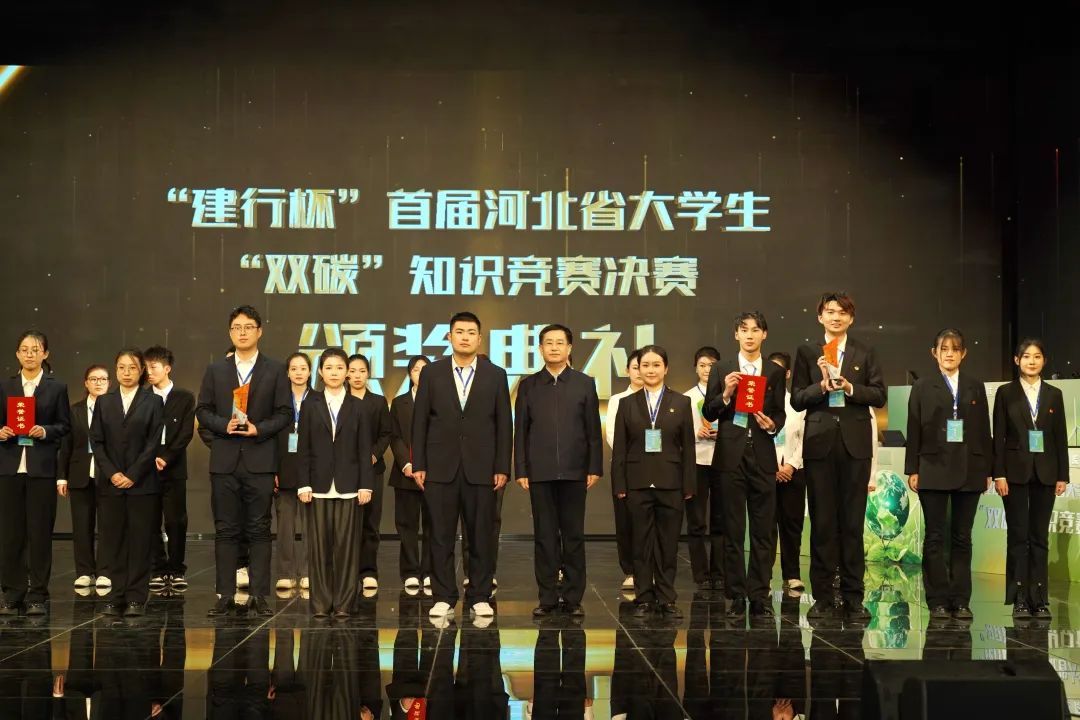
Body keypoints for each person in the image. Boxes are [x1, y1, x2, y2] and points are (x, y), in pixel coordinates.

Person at [791, 292, 885, 623]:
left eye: (842, 312)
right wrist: (820, 386)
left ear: (851, 318)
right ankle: (822, 597)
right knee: (822, 523)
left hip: (855, 446)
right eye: (830, 312)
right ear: (820, 317)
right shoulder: (807, 352)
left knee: (852, 524)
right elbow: (797, 399)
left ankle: (854, 596)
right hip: (819, 445)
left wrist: (849, 388)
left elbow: (879, 394)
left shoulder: (865, 352)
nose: (836, 317)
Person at [411, 311, 512, 622]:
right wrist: (419, 463)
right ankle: (443, 596)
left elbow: (503, 424)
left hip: (482, 468)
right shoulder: (432, 373)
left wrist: (502, 466)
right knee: (439, 535)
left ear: (479, 339)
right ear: (449, 337)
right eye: (459, 332)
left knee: (481, 535)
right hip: (439, 468)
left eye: (471, 332)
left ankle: (480, 596)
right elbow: (420, 421)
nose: (465, 337)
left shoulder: (496, 375)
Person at [196, 305, 292, 617]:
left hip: (260, 461)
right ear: (230, 332)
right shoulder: (216, 370)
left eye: (248, 327)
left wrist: (258, 429)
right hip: (224, 461)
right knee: (226, 530)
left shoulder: (275, 370)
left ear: (259, 331)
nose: (242, 332)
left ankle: (260, 595)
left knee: (259, 529)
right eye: (237, 327)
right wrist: (223, 424)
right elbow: (202, 411)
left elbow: (285, 414)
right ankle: (224, 594)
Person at [514, 324, 603, 618]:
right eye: (548, 343)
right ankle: (548, 597)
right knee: (545, 536)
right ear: (540, 349)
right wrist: (521, 468)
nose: (554, 347)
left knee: (573, 536)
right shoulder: (528, 386)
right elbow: (521, 431)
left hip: (576, 471)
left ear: (569, 348)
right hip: (539, 472)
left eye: (559, 342)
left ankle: (573, 598)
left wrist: (594, 466)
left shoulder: (584, 383)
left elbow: (593, 430)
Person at [703, 312, 786, 618]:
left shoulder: (775, 372)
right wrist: (725, 393)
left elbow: (780, 413)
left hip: (762, 455)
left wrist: (772, 424)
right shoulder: (722, 368)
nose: (750, 335)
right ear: (736, 334)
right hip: (730, 457)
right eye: (744, 330)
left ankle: (760, 595)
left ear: (764, 334)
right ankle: (737, 595)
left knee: (763, 531)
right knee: (733, 530)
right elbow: (709, 412)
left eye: (755, 330)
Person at [905, 328, 992, 621]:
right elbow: (913, 428)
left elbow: (983, 430)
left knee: (963, 537)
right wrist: (913, 468)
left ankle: (961, 599)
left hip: (970, 469)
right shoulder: (922, 386)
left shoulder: (975, 386)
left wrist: (987, 470)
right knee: (934, 536)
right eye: (944, 349)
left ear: (963, 354)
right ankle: (938, 600)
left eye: (955, 349)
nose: (949, 354)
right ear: (935, 353)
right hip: (933, 467)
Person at [611, 345, 695, 619]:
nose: (650, 370)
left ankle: (667, 597)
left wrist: (689, 485)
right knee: (640, 543)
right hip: (637, 483)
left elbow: (688, 448)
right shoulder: (627, 403)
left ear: (666, 368)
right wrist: (619, 485)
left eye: (656, 365)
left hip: (671, 482)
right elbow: (620, 449)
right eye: (644, 365)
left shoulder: (681, 402)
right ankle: (644, 597)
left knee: (668, 543)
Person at [993, 338, 1069, 618]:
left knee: (1039, 537)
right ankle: (1019, 599)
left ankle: (1039, 598)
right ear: (1017, 360)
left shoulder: (1054, 394)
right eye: (1026, 356)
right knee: (1018, 536)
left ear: (1044, 361)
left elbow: (1060, 437)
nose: (1032, 361)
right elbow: (999, 436)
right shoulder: (1005, 393)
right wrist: (998, 473)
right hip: (1014, 473)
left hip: (1046, 472)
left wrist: (1063, 475)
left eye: (1037, 356)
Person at [296, 347, 374, 618]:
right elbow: (303, 447)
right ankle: (320, 604)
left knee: (347, 549)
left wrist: (366, 485)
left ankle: (344, 604)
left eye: (340, 368)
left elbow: (364, 449)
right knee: (318, 549)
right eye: (328, 367)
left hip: (350, 485)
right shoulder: (310, 404)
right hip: (317, 486)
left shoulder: (358, 406)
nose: (334, 373)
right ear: (320, 371)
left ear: (347, 373)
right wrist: (303, 483)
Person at [0, 330, 71, 616]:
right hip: (9, 468)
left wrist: (45, 430)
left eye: (35, 349)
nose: (30, 354)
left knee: (40, 533)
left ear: (45, 354)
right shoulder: (5, 386)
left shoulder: (57, 387)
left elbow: (64, 425)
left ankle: (38, 594)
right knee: (10, 534)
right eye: (24, 349)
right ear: (17, 354)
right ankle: (11, 593)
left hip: (41, 469)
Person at [90, 349, 165, 617]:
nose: (126, 372)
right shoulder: (104, 401)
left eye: (132, 367)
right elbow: (97, 441)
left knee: (140, 541)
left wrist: (133, 474)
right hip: (111, 484)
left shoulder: (153, 401)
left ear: (141, 370)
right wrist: (112, 473)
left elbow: (153, 443)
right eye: (121, 367)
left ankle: (136, 597)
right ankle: (116, 594)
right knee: (113, 540)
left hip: (142, 484)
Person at [144, 345, 196, 592]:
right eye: (146, 367)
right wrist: (149, 458)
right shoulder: (143, 397)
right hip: (147, 468)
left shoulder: (184, 397)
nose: (149, 372)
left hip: (174, 468)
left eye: (153, 367)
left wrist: (166, 457)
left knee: (176, 521)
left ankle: (176, 570)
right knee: (150, 520)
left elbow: (185, 433)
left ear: (167, 368)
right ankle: (157, 569)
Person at [57, 364, 110, 589]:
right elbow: (65, 446)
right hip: (80, 475)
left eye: (103, 379)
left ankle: (105, 571)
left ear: (109, 383)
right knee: (81, 526)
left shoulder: (115, 409)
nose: (98, 383)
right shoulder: (74, 410)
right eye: (93, 379)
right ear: (86, 383)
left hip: (108, 475)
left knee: (107, 525)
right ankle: (84, 572)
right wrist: (62, 476)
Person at [347, 353, 393, 592]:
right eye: (352, 371)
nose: (357, 376)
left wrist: (373, 455)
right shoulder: (340, 400)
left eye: (362, 371)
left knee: (371, 522)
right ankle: (347, 572)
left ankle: (368, 571)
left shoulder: (378, 401)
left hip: (373, 468)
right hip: (345, 470)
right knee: (346, 524)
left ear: (368, 374)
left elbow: (386, 433)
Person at [389, 355, 431, 592]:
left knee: (433, 525)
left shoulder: (440, 401)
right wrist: (407, 464)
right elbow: (395, 437)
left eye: (425, 370)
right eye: (416, 370)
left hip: (433, 474)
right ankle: (410, 572)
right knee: (407, 526)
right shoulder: (399, 402)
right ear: (409, 374)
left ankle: (430, 571)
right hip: (405, 473)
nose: (421, 374)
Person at [683, 345, 723, 591]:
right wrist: (696, 434)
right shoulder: (686, 398)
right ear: (695, 368)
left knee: (721, 520)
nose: (707, 370)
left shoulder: (727, 395)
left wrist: (723, 433)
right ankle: (700, 573)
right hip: (696, 462)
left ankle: (719, 572)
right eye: (702, 365)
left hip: (722, 460)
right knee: (696, 521)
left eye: (712, 365)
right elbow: (678, 434)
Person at [605, 348, 645, 591]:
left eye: (645, 366)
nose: (641, 372)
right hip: (625, 467)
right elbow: (613, 435)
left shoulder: (664, 399)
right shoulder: (617, 400)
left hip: (655, 467)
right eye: (636, 367)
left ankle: (650, 569)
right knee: (626, 520)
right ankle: (630, 570)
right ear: (627, 371)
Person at [767, 351, 807, 593]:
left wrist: (791, 465)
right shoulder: (760, 404)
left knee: (792, 525)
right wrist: (773, 467)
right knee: (766, 527)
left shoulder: (798, 405)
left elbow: (805, 438)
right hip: (766, 472)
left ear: (788, 374)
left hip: (794, 472)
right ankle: (764, 577)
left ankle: (792, 574)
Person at [275, 352, 313, 592]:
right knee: (285, 527)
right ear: (287, 373)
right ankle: (285, 573)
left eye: (303, 368)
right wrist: (272, 469)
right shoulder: (278, 401)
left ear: (310, 372)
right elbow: (270, 438)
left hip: (312, 471)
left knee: (312, 527)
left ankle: (309, 572)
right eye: (294, 368)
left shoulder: (318, 399)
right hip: (284, 469)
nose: (299, 373)